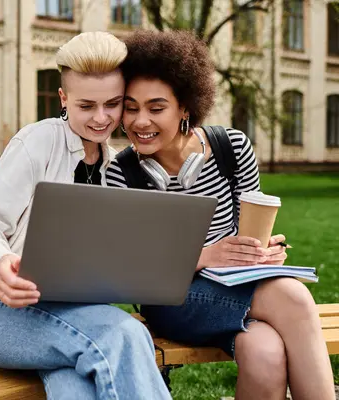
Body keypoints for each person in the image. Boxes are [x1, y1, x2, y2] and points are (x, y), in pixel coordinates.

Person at [0, 31, 172, 400]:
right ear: (64, 99)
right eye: (86, 105)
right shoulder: (37, 142)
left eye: (112, 104)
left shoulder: (114, 167)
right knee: (123, 334)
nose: (101, 118)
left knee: (75, 386)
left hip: (68, 315)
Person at [106, 29, 335, 400]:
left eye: (156, 108)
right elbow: (131, 272)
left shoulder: (232, 148)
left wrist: (265, 251)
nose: (140, 121)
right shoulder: (122, 172)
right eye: (131, 108)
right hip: (173, 299)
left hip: (236, 283)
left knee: (266, 354)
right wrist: (207, 256)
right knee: (293, 299)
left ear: (185, 107)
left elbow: (251, 227)